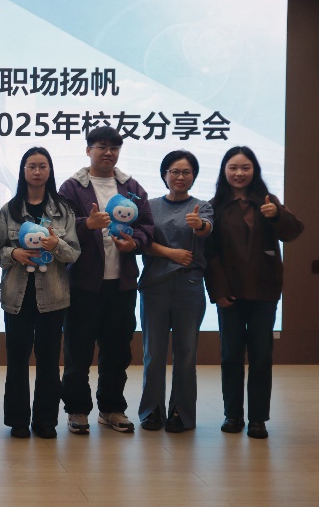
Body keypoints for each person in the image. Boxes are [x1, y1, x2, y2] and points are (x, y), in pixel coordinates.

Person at [58, 126, 154, 435]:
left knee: (117, 351)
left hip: (121, 284)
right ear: (88, 150)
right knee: (78, 352)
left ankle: (111, 409)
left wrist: (135, 242)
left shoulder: (131, 187)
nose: (108, 152)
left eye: (114, 148)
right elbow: (59, 227)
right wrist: (87, 224)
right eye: (101, 146)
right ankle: (77, 410)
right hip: (83, 284)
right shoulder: (72, 187)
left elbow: (147, 225)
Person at [204, 146, 303, 439]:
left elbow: (293, 232)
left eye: (245, 167)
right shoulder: (214, 206)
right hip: (229, 293)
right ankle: (233, 415)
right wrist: (218, 291)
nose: (239, 173)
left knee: (261, 356)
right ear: (224, 171)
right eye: (233, 167)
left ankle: (258, 419)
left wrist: (277, 215)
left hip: (264, 291)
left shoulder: (269, 202)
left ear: (254, 171)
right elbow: (210, 253)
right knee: (230, 355)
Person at [0, 147, 80, 439]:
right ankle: (18, 421)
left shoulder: (63, 210)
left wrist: (56, 244)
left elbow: (73, 254)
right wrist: (14, 253)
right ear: (23, 171)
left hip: (53, 297)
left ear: (49, 171)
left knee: (48, 361)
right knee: (17, 360)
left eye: (42, 166)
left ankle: (46, 421)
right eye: (31, 166)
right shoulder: (9, 209)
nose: (37, 171)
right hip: (16, 297)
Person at [138, 150, 212, 433]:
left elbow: (206, 229)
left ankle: (181, 413)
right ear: (164, 175)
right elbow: (141, 241)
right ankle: (152, 411)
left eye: (186, 172)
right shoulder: (150, 206)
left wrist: (199, 225)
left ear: (194, 176)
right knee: (153, 353)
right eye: (174, 171)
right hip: (154, 287)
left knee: (186, 353)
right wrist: (171, 253)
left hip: (189, 287)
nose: (180, 177)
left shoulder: (202, 207)